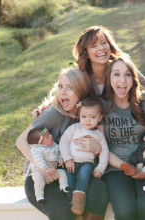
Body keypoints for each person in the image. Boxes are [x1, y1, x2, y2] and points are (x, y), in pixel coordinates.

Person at [16, 68, 108, 220]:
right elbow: (20, 141)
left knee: (100, 191)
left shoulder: (88, 113)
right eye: (60, 86)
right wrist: (43, 168)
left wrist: (98, 149)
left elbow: (99, 143)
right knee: (64, 213)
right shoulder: (54, 114)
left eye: (70, 88)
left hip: (70, 171)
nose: (63, 92)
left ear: (82, 91)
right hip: (42, 176)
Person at [32, 25, 145, 117]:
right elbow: (64, 93)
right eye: (94, 46)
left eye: (104, 43)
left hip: (120, 123)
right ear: (86, 51)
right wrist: (45, 106)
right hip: (92, 124)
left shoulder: (121, 68)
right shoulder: (81, 74)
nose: (101, 49)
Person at [100, 56, 145, 220]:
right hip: (116, 167)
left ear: (134, 78)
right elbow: (100, 147)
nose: (122, 80)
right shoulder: (101, 106)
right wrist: (127, 168)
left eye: (127, 74)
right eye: (116, 74)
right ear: (109, 79)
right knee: (125, 211)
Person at [59, 97, 109, 216]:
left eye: (93, 117)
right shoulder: (75, 128)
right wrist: (68, 159)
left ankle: (79, 202)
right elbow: (63, 142)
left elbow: (104, 152)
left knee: (83, 177)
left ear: (100, 117)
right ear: (79, 115)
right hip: (71, 162)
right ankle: (74, 206)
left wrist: (101, 167)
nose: (88, 120)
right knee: (69, 181)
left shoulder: (98, 135)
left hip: (86, 163)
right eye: (84, 116)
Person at [27, 127, 70, 204]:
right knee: (38, 179)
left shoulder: (54, 146)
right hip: (40, 170)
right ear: (40, 143)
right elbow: (38, 160)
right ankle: (39, 195)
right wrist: (45, 169)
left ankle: (63, 186)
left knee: (62, 172)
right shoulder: (37, 149)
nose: (51, 136)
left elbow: (59, 153)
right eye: (47, 137)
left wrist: (60, 159)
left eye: (49, 134)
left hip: (52, 170)